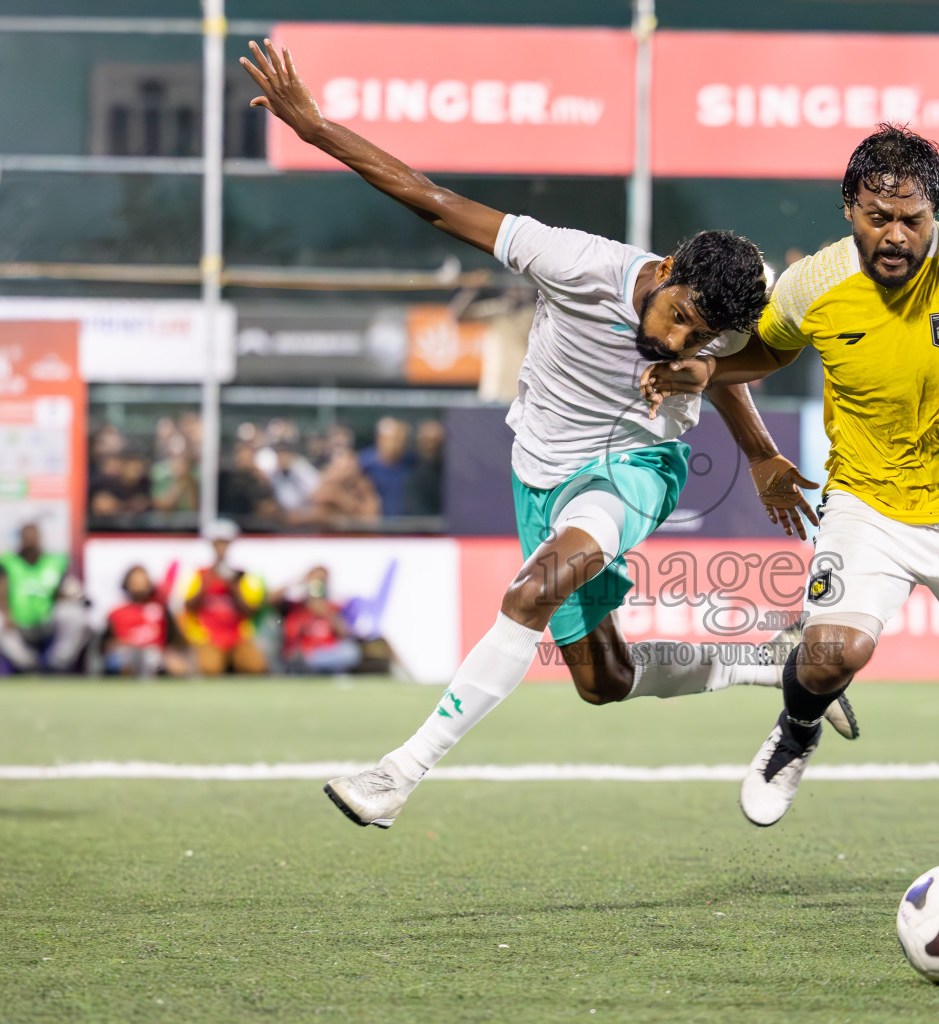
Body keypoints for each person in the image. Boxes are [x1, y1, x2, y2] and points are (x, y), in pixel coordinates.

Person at [239, 37, 853, 830]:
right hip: (540, 473)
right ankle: (772, 661)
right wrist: (316, 129)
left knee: (529, 592)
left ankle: (398, 774)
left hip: (637, 467)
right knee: (603, 680)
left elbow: (729, 368)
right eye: (676, 320)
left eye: (697, 337)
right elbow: (431, 198)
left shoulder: (720, 327)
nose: (675, 342)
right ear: (665, 269)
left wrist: (762, 452)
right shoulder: (573, 262)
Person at [641, 125, 939, 915]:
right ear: (850, 208)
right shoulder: (815, 283)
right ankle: (796, 730)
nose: (896, 234)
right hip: (868, 502)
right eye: (878, 216)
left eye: (913, 217)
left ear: (935, 210)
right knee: (833, 652)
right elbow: (767, 355)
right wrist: (697, 371)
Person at [0, 522, 92, 673]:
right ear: (20, 539)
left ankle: (57, 663)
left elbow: (62, 590)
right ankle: (27, 664)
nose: (31, 540)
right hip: (18, 622)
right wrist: (7, 614)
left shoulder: (54, 562)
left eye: (34, 536)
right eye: (27, 536)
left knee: (75, 615)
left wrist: (73, 597)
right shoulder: (8, 562)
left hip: (46, 620)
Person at [178, 519, 269, 676]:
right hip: (207, 636)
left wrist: (233, 586)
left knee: (256, 667)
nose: (221, 548)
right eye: (217, 544)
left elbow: (251, 611)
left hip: (238, 636)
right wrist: (207, 581)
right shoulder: (199, 574)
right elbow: (188, 606)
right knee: (210, 668)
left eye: (225, 544)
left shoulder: (243, 576)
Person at [104, 564, 193, 677]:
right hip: (127, 656)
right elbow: (106, 644)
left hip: (156, 657)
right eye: (135, 582)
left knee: (174, 664)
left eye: (142, 582)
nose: (139, 586)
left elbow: (174, 639)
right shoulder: (116, 612)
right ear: (127, 584)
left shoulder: (159, 608)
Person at [278, 567, 362, 675]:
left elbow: (344, 633)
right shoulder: (298, 608)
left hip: (328, 652)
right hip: (307, 653)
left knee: (351, 651)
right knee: (299, 658)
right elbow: (291, 638)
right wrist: (300, 581)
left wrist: (327, 614)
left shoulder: (330, 608)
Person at [358, 418, 416, 517]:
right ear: (380, 439)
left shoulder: (411, 463)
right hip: (376, 525)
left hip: (404, 525)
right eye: (395, 439)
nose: (398, 444)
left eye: (402, 440)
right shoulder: (364, 464)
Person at [405, 419, 446, 517]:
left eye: (434, 441)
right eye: (425, 440)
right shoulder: (409, 466)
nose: (429, 446)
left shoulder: (448, 471)